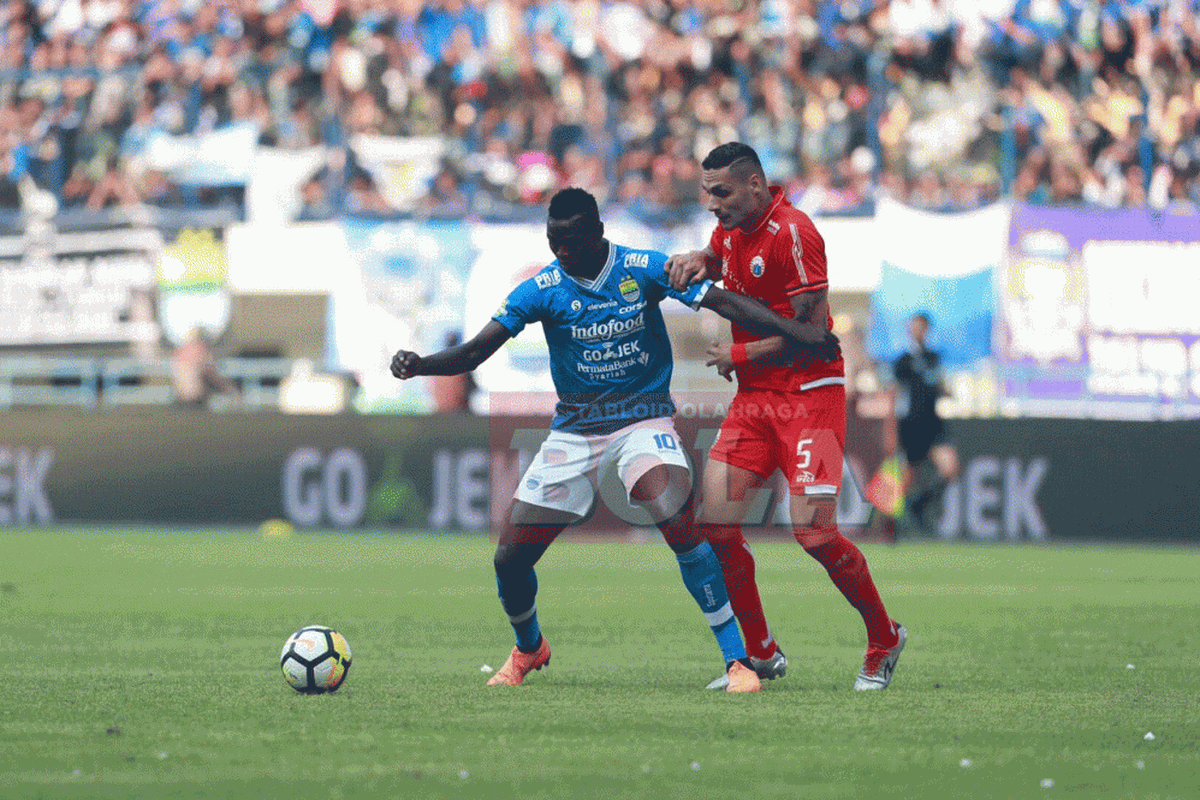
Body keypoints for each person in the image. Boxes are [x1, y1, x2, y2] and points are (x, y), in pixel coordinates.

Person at [391, 187, 838, 692]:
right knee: (510, 560)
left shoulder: (642, 268)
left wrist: (794, 330)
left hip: (642, 422)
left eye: (571, 244)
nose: (561, 255)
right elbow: (476, 351)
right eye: (554, 243)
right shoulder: (542, 288)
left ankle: (736, 660)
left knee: (676, 515)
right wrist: (422, 365)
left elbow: (723, 299)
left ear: (598, 234)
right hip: (575, 431)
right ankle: (529, 647)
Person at [666, 142, 906, 691]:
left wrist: (741, 353)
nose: (712, 204)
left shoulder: (795, 234)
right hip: (754, 401)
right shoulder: (730, 229)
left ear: (755, 186)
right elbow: (719, 258)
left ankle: (884, 636)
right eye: (707, 193)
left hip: (811, 398)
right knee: (716, 525)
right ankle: (760, 652)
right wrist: (698, 260)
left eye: (721, 192)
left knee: (816, 535)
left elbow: (812, 335)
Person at [893, 311, 960, 533]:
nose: (918, 330)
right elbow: (894, 395)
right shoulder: (902, 362)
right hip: (911, 425)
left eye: (921, 326)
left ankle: (920, 503)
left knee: (950, 468)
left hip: (933, 424)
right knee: (905, 477)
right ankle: (888, 525)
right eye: (914, 326)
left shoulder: (934, 358)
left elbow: (941, 385)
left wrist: (946, 391)